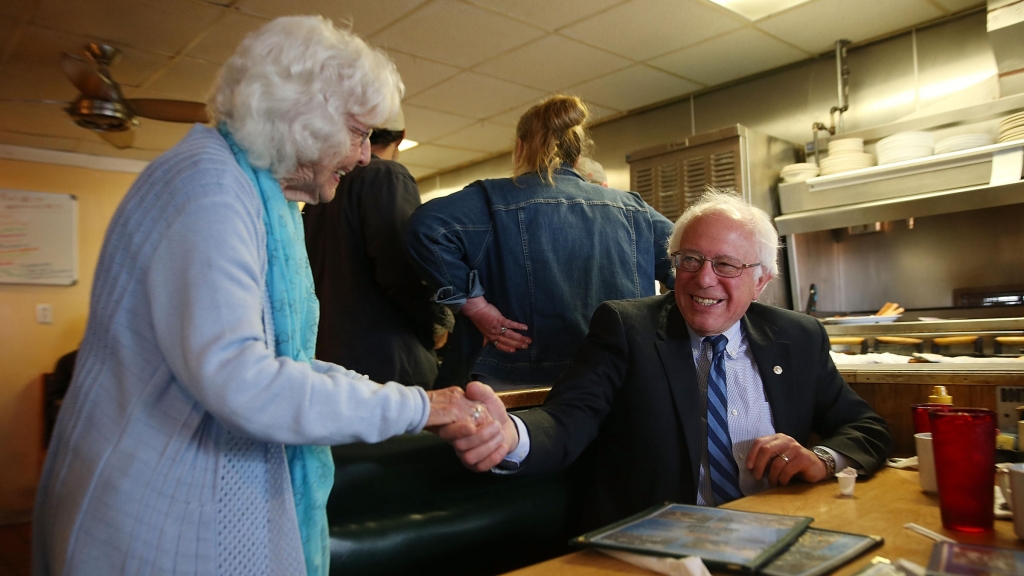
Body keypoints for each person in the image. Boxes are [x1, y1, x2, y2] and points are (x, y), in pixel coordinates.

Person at [32, 16, 500, 576]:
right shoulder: (208, 189)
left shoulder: (249, 195)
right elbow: (245, 381)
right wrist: (419, 405)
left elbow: (287, 363)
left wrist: (417, 401)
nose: (366, 156)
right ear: (304, 120)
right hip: (154, 523)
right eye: (357, 132)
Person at [445, 190, 892, 534]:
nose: (704, 278)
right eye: (690, 260)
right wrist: (511, 436)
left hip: (772, 534)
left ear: (762, 281)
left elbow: (866, 429)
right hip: (661, 549)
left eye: (726, 265)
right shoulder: (625, 327)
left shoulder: (797, 336)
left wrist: (822, 459)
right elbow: (568, 420)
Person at [404, 95, 675, 389]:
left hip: (519, 384)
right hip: (617, 380)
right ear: (578, 156)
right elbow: (690, 258)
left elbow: (425, 228)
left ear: (520, 147)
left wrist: (476, 307)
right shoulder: (632, 209)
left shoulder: (493, 200)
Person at [303, 107, 452, 389]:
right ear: (402, 136)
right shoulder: (387, 176)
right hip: (390, 364)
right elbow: (403, 269)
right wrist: (436, 324)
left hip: (330, 360)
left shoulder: (318, 194)